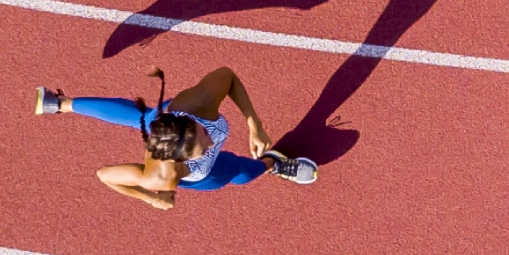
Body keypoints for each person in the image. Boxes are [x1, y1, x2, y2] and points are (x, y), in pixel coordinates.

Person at [36, 66, 315, 209]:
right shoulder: (161, 177)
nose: (210, 141)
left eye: (203, 133)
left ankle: (61, 103)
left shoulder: (197, 108)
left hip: (169, 117)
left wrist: (254, 124)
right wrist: (150, 198)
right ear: (180, 158)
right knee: (242, 173)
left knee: (146, 117)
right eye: (202, 145)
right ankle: (273, 163)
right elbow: (103, 175)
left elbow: (227, 76)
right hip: (203, 175)